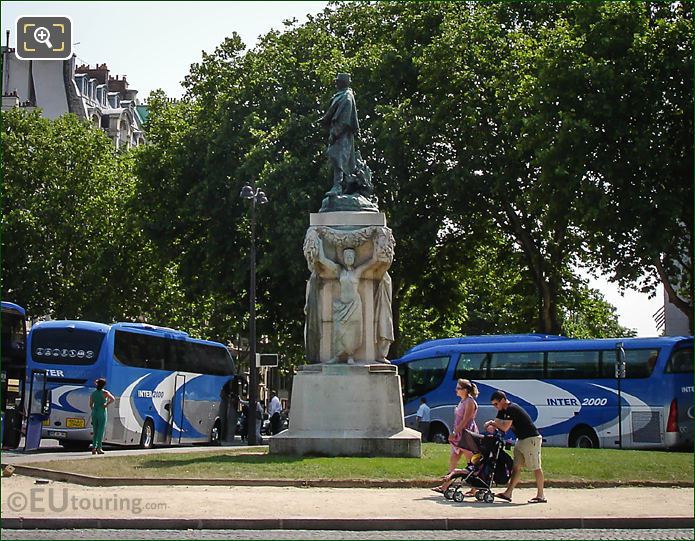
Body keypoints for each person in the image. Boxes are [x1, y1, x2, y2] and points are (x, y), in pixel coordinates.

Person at [316, 237, 377, 364]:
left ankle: (350, 356)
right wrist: (319, 242)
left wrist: (377, 244)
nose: (349, 258)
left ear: (354, 258)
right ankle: (337, 356)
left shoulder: (358, 271)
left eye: (351, 256)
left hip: (354, 305)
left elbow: (373, 261)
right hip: (342, 306)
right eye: (346, 256)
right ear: (343, 258)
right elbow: (322, 260)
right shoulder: (339, 271)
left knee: (353, 332)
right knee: (338, 331)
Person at [485, 390, 546, 504]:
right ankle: (508, 493)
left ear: (503, 400)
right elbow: (497, 423)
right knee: (516, 467)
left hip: (531, 439)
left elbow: (504, 427)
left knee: (535, 466)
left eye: (496, 404)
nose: (495, 407)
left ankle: (541, 495)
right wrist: (491, 425)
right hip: (521, 439)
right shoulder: (502, 410)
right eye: (493, 404)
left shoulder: (512, 408)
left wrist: (491, 423)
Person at [432, 379, 479, 494]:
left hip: (466, 434)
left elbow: (466, 420)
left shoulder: (469, 402)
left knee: (471, 461)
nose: (456, 390)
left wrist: (455, 432)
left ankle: (475, 486)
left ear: (465, 390)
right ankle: (446, 484)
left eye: (458, 388)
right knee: (454, 458)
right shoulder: (463, 401)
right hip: (459, 434)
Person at [319, 73, 360, 195]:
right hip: (339, 133)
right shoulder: (341, 95)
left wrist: (335, 132)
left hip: (342, 134)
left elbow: (344, 118)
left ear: (343, 82)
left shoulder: (347, 96)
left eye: (338, 81)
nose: (335, 83)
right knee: (338, 159)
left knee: (339, 159)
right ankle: (344, 185)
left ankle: (338, 186)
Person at [89, 378, 114, 455]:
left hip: (94, 412)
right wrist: (106, 404)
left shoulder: (93, 393)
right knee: (101, 430)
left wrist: (94, 408)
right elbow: (112, 399)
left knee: (95, 431)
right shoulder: (105, 393)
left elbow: (90, 404)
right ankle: (99, 448)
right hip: (102, 412)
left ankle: (93, 447)